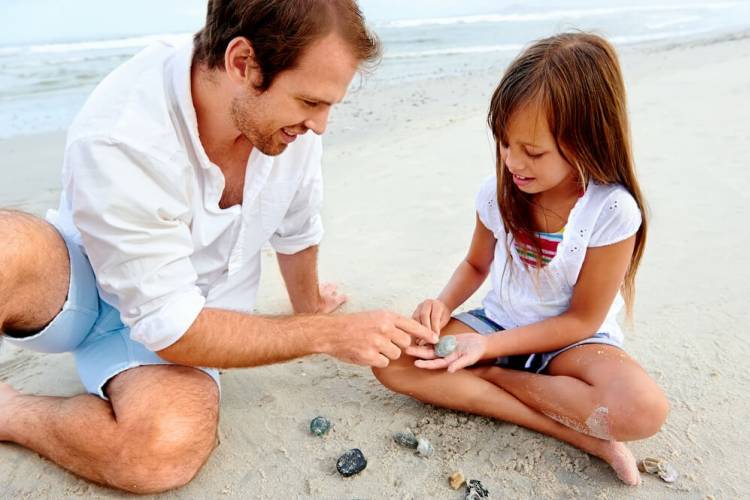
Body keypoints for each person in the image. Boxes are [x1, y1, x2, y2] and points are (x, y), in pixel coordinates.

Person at [0, 0, 435, 493]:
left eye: (329, 105)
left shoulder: (287, 128)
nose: (320, 125)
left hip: (193, 319)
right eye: (311, 103)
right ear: (242, 63)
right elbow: (169, 324)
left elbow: (296, 226)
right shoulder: (124, 134)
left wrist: (310, 305)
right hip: (78, 283)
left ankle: (10, 412)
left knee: (161, 453)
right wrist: (323, 333)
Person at [373, 32, 669, 486]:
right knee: (390, 358)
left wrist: (485, 354)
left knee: (642, 410)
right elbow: (476, 265)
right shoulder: (497, 193)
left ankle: (492, 379)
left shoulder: (611, 211)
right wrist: (443, 305)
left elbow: (581, 320)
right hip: (498, 323)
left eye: (533, 151)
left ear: (586, 141)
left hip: (572, 347)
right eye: (505, 143)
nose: (513, 161)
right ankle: (574, 431)